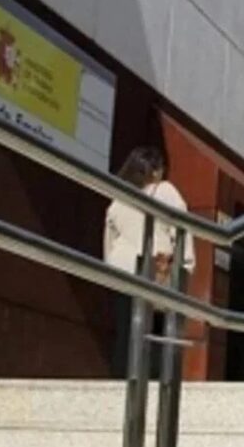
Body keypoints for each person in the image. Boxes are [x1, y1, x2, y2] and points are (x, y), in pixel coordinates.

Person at [104, 146, 196, 378]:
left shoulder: (118, 199)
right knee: (156, 332)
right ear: (155, 170)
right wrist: (186, 266)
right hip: (154, 269)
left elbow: (109, 241)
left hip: (120, 270)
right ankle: (152, 383)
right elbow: (182, 227)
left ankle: (121, 384)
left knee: (126, 333)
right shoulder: (164, 190)